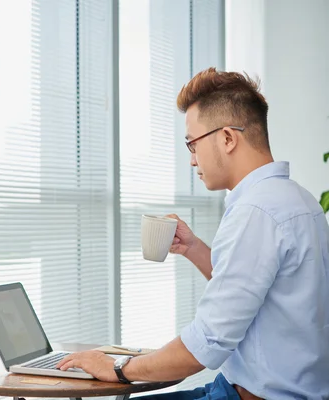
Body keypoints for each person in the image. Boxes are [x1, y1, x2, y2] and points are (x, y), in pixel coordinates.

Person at [56, 68, 329, 399]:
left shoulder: (254, 212)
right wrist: (194, 248)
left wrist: (116, 368)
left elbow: (207, 344)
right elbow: (255, 294)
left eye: (192, 144)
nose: (192, 160)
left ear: (228, 138)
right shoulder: (299, 200)